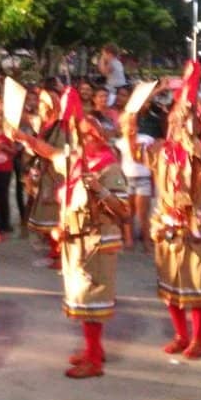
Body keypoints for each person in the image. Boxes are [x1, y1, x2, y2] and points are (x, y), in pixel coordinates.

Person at [151, 61, 201, 360]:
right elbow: (134, 153)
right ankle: (180, 334)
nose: (178, 124)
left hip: (199, 223)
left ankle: (198, 338)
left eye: (185, 119)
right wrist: (131, 123)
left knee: (197, 283)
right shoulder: (162, 150)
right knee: (170, 282)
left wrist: (200, 156)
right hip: (169, 222)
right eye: (175, 119)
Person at [51, 115, 129, 379]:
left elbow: (124, 210)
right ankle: (93, 349)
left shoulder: (110, 169)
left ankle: (94, 361)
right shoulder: (79, 164)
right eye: (78, 135)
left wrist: (100, 190)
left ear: (97, 138)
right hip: (78, 239)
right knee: (84, 299)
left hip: (98, 241)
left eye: (84, 136)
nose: (79, 140)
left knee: (92, 300)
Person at [13, 89, 66, 268]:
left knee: (55, 216)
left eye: (43, 104)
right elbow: (28, 120)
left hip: (57, 176)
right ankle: (54, 254)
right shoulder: (45, 124)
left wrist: (27, 139)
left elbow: (53, 152)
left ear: (51, 107)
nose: (39, 107)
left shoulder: (61, 127)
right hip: (45, 175)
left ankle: (59, 257)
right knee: (47, 215)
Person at [115, 107, 155, 251]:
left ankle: (147, 241)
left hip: (143, 178)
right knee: (128, 212)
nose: (130, 127)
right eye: (126, 124)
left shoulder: (146, 140)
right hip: (126, 178)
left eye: (133, 124)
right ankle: (129, 239)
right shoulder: (119, 143)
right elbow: (118, 162)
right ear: (121, 127)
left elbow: (151, 159)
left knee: (143, 213)